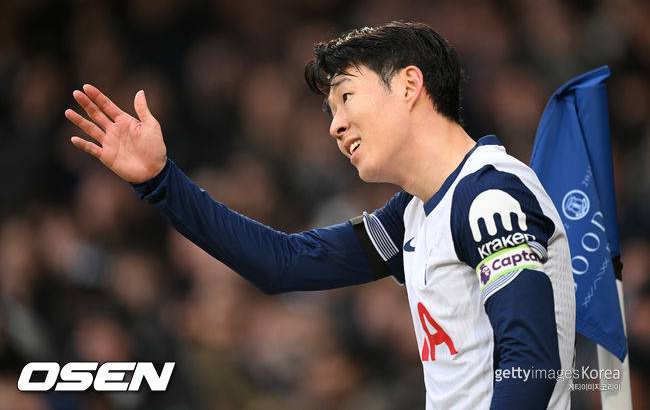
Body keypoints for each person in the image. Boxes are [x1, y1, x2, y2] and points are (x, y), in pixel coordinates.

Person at [65, 21, 575, 409]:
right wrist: (161, 182)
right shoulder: (414, 214)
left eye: (346, 97)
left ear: (409, 85)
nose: (335, 125)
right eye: (332, 110)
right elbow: (285, 263)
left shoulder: (489, 195)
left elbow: (530, 362)